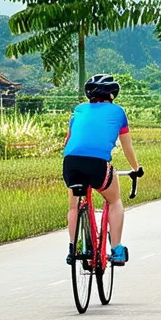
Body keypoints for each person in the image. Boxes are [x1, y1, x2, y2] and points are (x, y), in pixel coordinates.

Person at [63, 74, 144, 266]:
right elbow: (127, 147)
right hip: (97, 164)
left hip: (71, 162)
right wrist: (136, 168)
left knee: (74, 206)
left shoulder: (79, 110)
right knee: (114, 200)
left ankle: (72, 247)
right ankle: (116, 250)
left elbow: (68, 141)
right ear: (112, 95)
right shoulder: (118, 112)